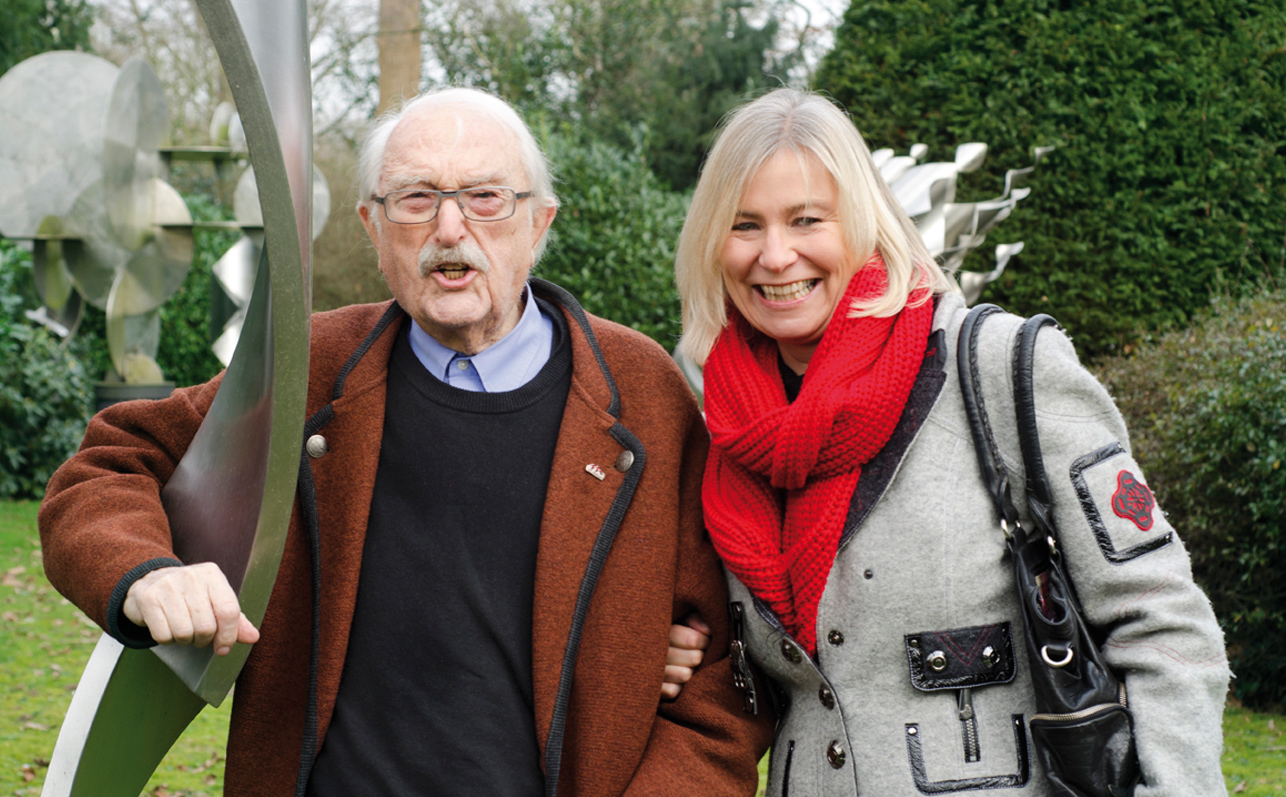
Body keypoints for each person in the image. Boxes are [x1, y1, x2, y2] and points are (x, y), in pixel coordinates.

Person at [39, 86, 770, 796]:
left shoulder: (644, 395)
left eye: (485, 197)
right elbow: (105, 466)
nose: (450, 229)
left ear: (539, 222)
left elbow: (718, 689)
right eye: (416, 198)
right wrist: (147, 572)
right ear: (372, 225)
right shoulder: (307, 368)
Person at [672, 88, 1230, 796]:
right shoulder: (725, 431)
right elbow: (747, 668)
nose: (776, 255)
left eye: (807, 219)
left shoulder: (1002, 369)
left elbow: (1165, 623)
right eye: (745, 225)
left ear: (865, 224)